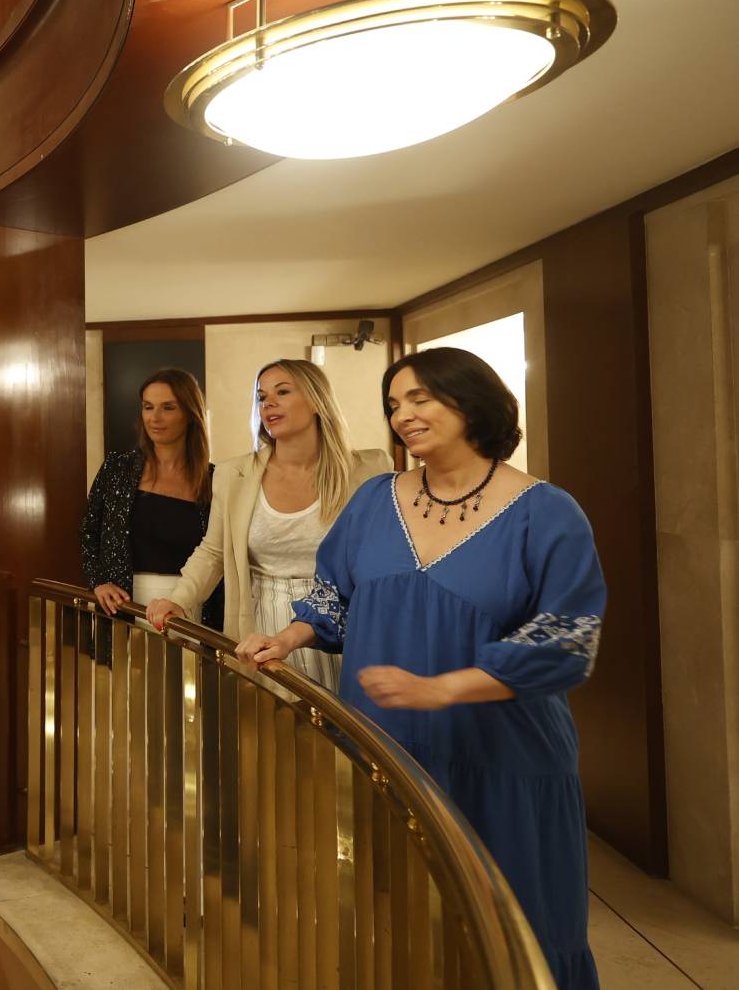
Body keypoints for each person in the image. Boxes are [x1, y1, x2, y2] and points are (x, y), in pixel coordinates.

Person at [236, 346, 603, 989]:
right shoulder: (375, 499)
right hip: (389, 747)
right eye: (394, 404)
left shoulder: (546, 512)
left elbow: (567, 638)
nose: (402, 414)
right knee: (397, 916)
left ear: (472, 402)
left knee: (510, 927)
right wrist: (287, 638)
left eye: (420, 398)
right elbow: (335, 594)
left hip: (502, 758)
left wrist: (443, 689)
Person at [147, 359, 390, 688]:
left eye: (282, 392)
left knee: (343, 718)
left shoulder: (370, 469)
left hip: (344, 623)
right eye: (262, 397)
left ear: (317, 400)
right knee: (266, 718)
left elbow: (384, 558)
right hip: (260, 624)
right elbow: (213, 552)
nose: (268, 403)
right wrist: (178, 599)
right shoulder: (234, 474)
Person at [80, 368, 221, 625]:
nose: (155, 417)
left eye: (168, 407)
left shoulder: (214, 479)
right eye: (148, 407)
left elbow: (218, 553)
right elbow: (88, 532)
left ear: (190, 413)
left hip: (188, 603)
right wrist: (98, 581)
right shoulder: (117, 468)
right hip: (124, 603)